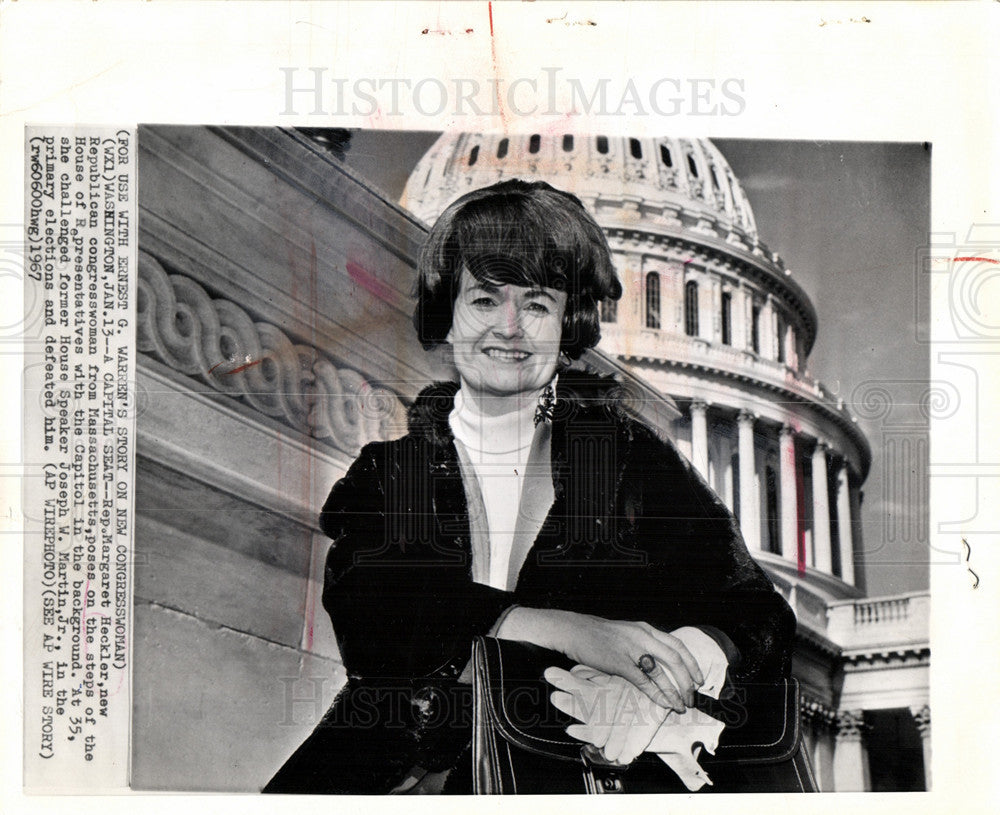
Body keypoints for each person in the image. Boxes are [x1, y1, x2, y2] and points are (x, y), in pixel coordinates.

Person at [263, 179, 798, 795]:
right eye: (486, 301)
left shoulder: (628, 461)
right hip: (388, 771)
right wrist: (577, 633)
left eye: (538, 304)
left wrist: (667, 666)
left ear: (566, 323)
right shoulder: (395, 469)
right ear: (450, 314)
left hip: (573, 776)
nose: (510, 328)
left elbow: (756, 611)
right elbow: (379, 611)